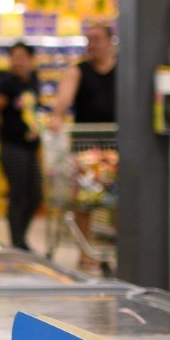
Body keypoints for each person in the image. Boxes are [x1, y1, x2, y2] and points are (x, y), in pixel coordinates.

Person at [47, 22, 116, 267]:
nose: (92, 45)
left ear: (110, 41)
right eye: (89, 40)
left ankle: (120, 248)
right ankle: (85, 252)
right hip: (85, 150)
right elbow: (62, 101)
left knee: (117, 201)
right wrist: (56, 118)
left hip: (117, 149)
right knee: (84, 202)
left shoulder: (124, 71)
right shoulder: (78, 71)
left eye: (97, 39)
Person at [0, 42, 43, 251]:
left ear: (30, 59)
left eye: (22, 57)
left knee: (35, 194)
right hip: (12, 147)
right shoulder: (6, 84)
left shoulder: (33, 81)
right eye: (14, 57)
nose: (18, 61)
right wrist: (1, 132)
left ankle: (21, 238)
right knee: (18, 194)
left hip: (30, 147)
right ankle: (17, 242)